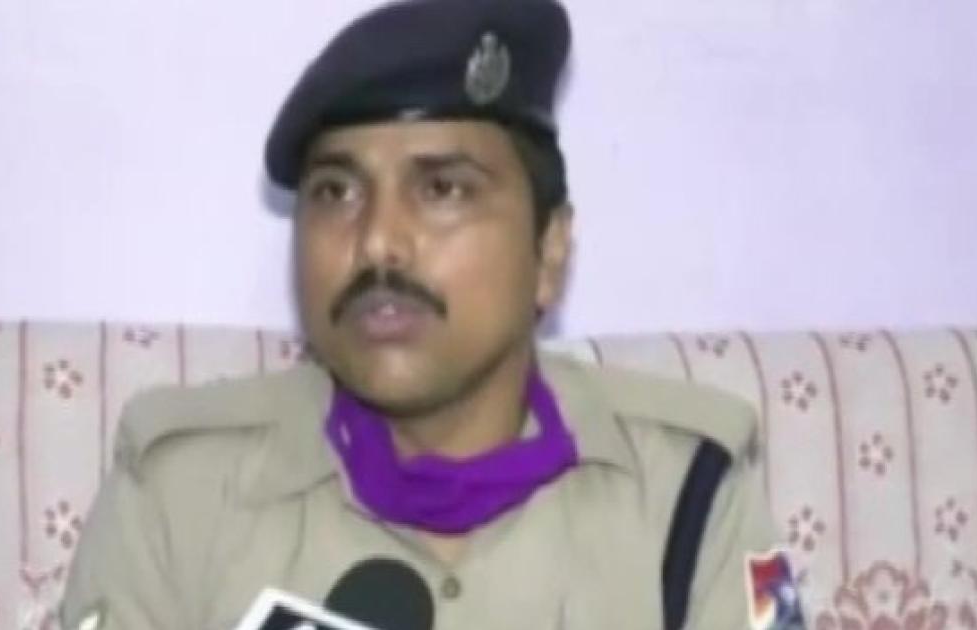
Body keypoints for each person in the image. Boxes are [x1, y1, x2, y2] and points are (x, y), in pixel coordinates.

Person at [61, 0, 800, 628]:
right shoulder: (179, 492)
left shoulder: (686, 494)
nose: (378, 241)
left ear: (548, 251)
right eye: (336, 192)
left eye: (444, 189)